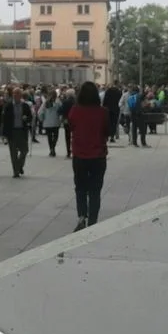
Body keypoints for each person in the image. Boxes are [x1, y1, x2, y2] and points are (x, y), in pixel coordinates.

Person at [67, 81, 109, 232]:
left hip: (80, 155)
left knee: (80, 188)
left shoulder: (75, 110)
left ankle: (82, 216)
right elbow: (107, 131)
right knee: (95, 191)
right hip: (98, 156)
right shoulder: (103, 112)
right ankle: (92, 221)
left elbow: (71, 126)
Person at [2, 87, 33, 178]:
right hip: (12, 131)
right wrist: (4, 134)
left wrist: (26, 118)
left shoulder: (25, 106)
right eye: (14, 93)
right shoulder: (8, 106)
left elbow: (30, 117)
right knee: (13, 152)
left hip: (22, 131)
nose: (16, 95)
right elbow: (5, 120)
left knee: (24, 150)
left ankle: (19, 165)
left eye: (18, 93)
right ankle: (16, 172)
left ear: (21, 95)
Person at [39, 92, 63, 156]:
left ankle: (51, 149)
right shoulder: (58, 102)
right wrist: (61, 119)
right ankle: (53, 147)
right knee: (55, 136)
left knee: (49, 137)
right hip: (55, 122)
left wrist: (41, 119)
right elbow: (61, 111)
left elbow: (40, 112)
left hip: (47, 122)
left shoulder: (45, 103)